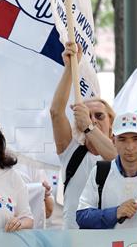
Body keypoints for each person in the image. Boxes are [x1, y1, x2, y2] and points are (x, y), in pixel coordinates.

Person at [50, 41, 117, 229]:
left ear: (111, 123)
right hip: (75, 244)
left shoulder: (123, 154)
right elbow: (56, 111)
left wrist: (88, 126)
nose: (93, 120)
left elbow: (114, 157)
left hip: (109, 244)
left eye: (99, 116)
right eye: (88, 115)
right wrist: (71, 67)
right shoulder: (71, 151)